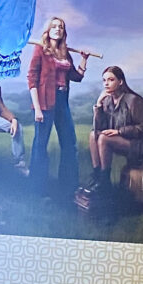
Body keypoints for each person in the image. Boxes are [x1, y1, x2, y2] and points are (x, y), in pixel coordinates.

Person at [26, 17, 86, 196]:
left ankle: (69, 186)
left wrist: (83, 60)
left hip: (62, 102)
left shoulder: (65, 52)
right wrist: (37, 108)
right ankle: (38, 189)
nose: (58, 29)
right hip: (44, 102)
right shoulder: (40, 49)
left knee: (69, 143)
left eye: (61, 27)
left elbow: (76, 76)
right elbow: (32, 79)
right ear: (48, 30)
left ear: (63, 32)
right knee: (40, 144)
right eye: (54, 26)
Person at [88, 66, 143, 188]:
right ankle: (97, 176)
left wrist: (119, 131)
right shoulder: (107, 101)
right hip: (120, 141)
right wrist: (98, 106)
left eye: (111, 80)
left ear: (121, 82)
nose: (106, 84)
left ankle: (104, 181)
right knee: (93, 135)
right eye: (104, 80)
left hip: (139, 143)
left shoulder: (134, 101)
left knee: (103, 138)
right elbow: (98, 127)